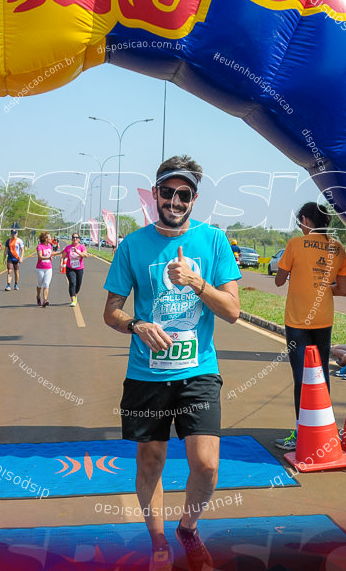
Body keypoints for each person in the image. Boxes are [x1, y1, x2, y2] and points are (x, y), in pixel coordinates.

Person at [103, 155, 241, 571]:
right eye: (167, 192)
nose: (175, 201)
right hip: (147, 373)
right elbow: (111, 310)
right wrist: (136, 325)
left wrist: (197, 282)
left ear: (194, 199)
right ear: (155, 195)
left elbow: (233, 310)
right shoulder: (132, 244)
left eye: (184, 194)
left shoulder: (214, 240)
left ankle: (188, 526)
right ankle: (159, 539)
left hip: (198, 370)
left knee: (207, 464)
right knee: (151, 460)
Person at [272, 202, 346, 451]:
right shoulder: (338, 248)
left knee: (301, 377)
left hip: (297, 320)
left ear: (306, 219)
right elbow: (343, 290)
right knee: (321, 375)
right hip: (323, 319)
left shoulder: (295, 244)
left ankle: (300, 432)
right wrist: (323, 288)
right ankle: (324, 431)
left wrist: (297, 274)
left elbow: (279, 281)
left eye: (300, 222)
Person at [62, 233, 88, 306]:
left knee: (78, 284)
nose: (75, 239)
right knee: (72, 282)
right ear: (72, 239)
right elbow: (63, 256)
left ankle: (75, 294)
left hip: (79, 268)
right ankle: (73, 299)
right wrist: (61, 265)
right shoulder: (68, 247)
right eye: (73, 237)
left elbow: (85, 255)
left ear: (79, 239)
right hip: (70, 268)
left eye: (77, 237)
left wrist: (78, 252)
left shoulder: (82, 247)